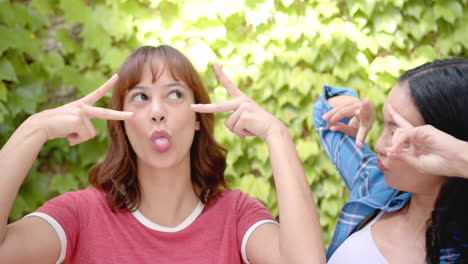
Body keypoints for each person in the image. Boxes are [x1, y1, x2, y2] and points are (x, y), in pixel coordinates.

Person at [0, 45, 325, 263]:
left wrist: (277, 134)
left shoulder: (237, 216)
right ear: (121, 123)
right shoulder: (79, 215)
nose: (157, 111)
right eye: (140, 97)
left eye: (174, 94)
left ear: (198, 117)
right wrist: (34, 128)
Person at [314, 59, 468, 263]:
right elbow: (324, 118)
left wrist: (460, 158)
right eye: (384, 126)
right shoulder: (376, 185)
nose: (378, 145)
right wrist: (353, 106)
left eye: (397, 133)